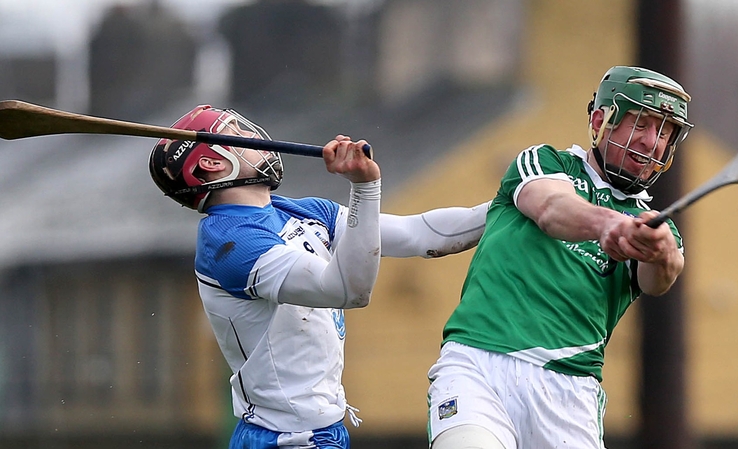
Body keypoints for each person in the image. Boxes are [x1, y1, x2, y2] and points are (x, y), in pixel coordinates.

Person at [148, 105, 488, 449]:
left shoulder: (300, 211)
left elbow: (420, 235)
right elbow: (348, 290)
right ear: (212, 163)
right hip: (286, 439)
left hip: (319, 432)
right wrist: (365, 187)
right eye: (238, 134)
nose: (254, 136)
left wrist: (508, 199)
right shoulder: (231, 242)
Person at [426, 66, 694, 449]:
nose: (651, 142)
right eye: (641, 123)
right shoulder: (544, 163)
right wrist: (608, 224)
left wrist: (662, 250)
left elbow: (659, 280)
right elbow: (552, 208)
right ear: (600, 121)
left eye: (664, 132)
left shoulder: (655, 227)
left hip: (569, 393)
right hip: (477, 364)